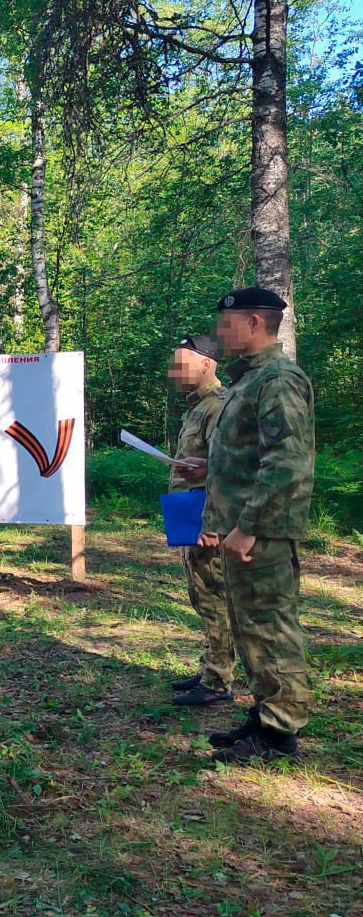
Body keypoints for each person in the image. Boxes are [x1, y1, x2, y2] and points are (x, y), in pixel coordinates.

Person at [177, 287, 315, 764]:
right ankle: (265, 715)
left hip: (263, 533)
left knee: (271, 629)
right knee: (250, 630)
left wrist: (250, 526)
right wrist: (208, 468)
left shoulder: (277, 380)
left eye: (227, 323)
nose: (220, 333)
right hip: (242, 528)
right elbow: (249, 457)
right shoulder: (249, 382)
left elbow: (287, 464)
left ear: (254, 324)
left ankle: (280, 737)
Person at [165, 335, 234, 707]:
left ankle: (219, 681)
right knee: (199, 595)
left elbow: (226, 470)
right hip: (187, 512)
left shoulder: (218, 407)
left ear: (206, 364)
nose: (175, 371)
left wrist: (212, 523)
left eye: (182, 363)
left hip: (205, 516)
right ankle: (210, 666)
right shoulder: (197, 407)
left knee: (215, 599)